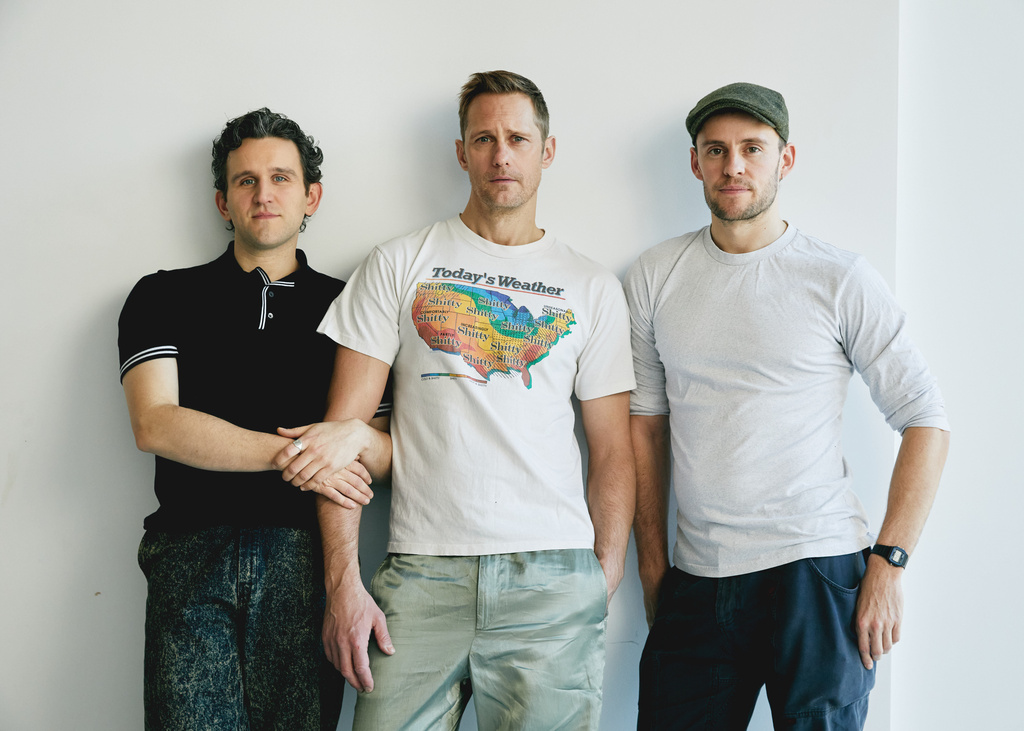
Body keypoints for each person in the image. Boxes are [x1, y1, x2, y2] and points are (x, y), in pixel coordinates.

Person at [276, 70, 636, 730]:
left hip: (552, 575)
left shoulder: (590, 287)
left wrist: (599, 578)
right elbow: (340, 440)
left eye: (519, 139)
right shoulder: (398, 262)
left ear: (546, 151)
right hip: (420, 573)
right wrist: (343, 586)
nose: (502, 155)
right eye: (485, 138)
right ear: (461, 150)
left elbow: (614, 451)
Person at [626, 82, 950, 730]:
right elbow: (646, 431)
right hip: (699, 576)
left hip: (819, 573)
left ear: (786, 158)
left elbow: (926, 418)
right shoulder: (654, 277)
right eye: (715, 150)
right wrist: (654, 568)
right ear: (695, 163)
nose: (733, 166)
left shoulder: (837, 277)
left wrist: (889, 563)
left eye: (752, 148)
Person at [118, 108, 388, 730]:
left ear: (311, 195)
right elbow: (155, 423)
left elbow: (384, 449)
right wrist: (298, 456)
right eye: (245, 181)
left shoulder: (354, 308)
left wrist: (350, 443)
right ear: (222, 200)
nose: (264, 194)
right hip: (190, 552)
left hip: (304, 557)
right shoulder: (161, 295)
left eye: (281, 178)